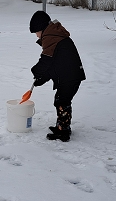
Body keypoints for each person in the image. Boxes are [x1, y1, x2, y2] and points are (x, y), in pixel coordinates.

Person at [29, 11, 86, 142]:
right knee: (61, 100)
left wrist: (36, 71)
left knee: (62, 101)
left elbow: (46, 60)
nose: (36, 36)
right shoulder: (54, 35)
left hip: (70, 77)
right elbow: (53, 63)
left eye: (36, 32)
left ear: (41, 28)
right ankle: (62, 126)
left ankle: (63, 132)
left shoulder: (51, 37)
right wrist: (41, 79)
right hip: (69, 75)